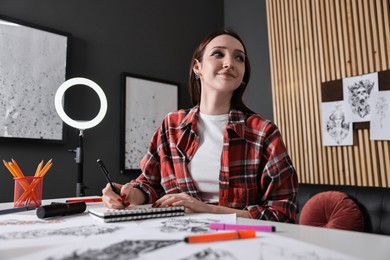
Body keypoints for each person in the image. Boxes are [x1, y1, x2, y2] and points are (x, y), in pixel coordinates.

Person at [102, 28, 298, 223]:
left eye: (239, 58)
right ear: (198, 67)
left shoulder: (263, 132)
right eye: (218, 54)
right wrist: (127, 195)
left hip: (240, 241)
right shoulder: (171, 126)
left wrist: (207, 210)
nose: (230, 63)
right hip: (175, 235)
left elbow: (282, 213)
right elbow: (149, 184)